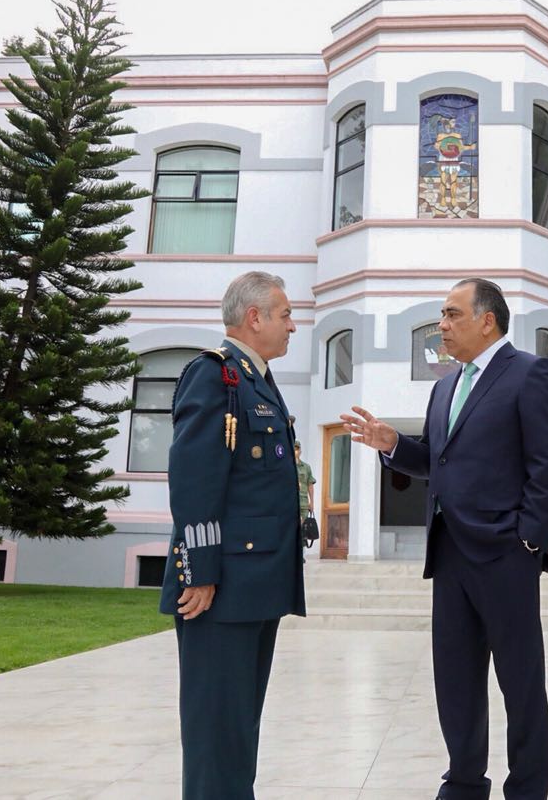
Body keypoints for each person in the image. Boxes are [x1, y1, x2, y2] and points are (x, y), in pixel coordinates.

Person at [341, 278, 548, 800]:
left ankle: (528, 789)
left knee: (521, 684)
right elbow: (439, 461)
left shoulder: (531, 374)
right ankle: (464, 783)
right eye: (442, 315)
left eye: (450, 314)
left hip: (506, 554)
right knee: (457, 683)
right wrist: (394, 444)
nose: (441, 325)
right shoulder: (446, 385)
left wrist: (528, 543)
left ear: (486, 319)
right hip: (449, 554)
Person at [158, 271, 306, 800]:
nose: (294, 325)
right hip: (219, 588)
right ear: (255, 318)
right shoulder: (214, 376)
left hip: (254, 585)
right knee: (216, 730)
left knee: (238, 727)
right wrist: (198, 574)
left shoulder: (257, 380)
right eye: (286, 315)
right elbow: (196, 479)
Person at [294, 441, 315, 521]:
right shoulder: (287, 467)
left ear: (300, 451)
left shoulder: (306, 467)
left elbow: (310, 485)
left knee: (303, 529)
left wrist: (312, 502)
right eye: (294, 448)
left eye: (297, 449)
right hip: (291, 503)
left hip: (303, 503)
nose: (295, 451)